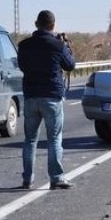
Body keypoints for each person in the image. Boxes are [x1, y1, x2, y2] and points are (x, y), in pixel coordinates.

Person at [17, 10, 76, 190]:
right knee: (54, 139)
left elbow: (22, 66)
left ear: (36, 24)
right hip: (51, 96)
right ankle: (56, 178)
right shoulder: (57, 45)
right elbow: (70, 65)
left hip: (31, 96)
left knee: (30, 140)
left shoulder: (24, 45)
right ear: (53, 25)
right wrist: (65, 45)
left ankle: (27, 179)